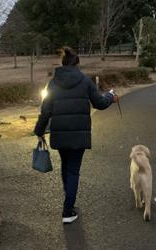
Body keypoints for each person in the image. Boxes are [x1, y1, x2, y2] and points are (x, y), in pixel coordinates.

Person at [34, 47, 118, 224]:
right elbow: (100, 103)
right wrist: (111, 96)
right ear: (77, 63)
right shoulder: (85, 81)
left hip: (60, 135)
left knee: (66, 167)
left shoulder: (53, 83)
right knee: (73, 171)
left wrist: (39, 132)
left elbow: (45, 111)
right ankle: (67, 211)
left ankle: (69, 202)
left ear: (63, 64)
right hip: (78, 136)